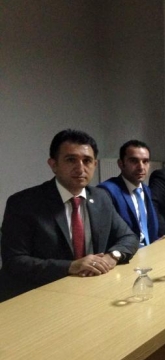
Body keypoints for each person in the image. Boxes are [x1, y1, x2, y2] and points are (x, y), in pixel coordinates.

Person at [0, 129, 139, 302]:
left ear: (95, 165)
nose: (80, 168)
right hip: (39, 295)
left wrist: (112, 257)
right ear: (53, 164)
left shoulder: (100, 197)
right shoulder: (24, 203)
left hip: (90, 290)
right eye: (71, 160)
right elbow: (14, 261)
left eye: (87, 161)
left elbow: (129, 237)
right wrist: (71, 266)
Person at [98, 140, 159, 246]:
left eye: (145, 161)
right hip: (125, 252)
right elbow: (107, 235)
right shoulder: (107, 191)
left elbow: (149, 228)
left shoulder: (146, 189)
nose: (141, 167)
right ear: (121, 164)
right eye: (134, 161)